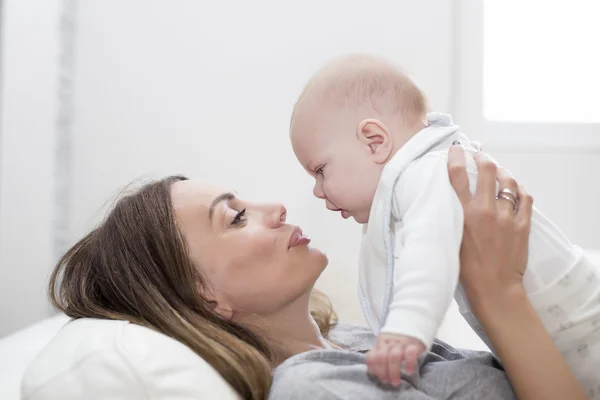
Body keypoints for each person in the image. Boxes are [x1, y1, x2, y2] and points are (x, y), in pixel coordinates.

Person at [44, 143, 588, 399]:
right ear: (206, 298)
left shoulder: (351, 341)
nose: (276, 208)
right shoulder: (311, 389)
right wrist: (497, 292)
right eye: (236, 218)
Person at [289, 53, 600, 394]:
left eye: (320, 170)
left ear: (375, 141)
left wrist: (406, 329)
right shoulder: (426, 172)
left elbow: (429, 253)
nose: (318, 191)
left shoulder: (426, 173)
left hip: (584, 328)